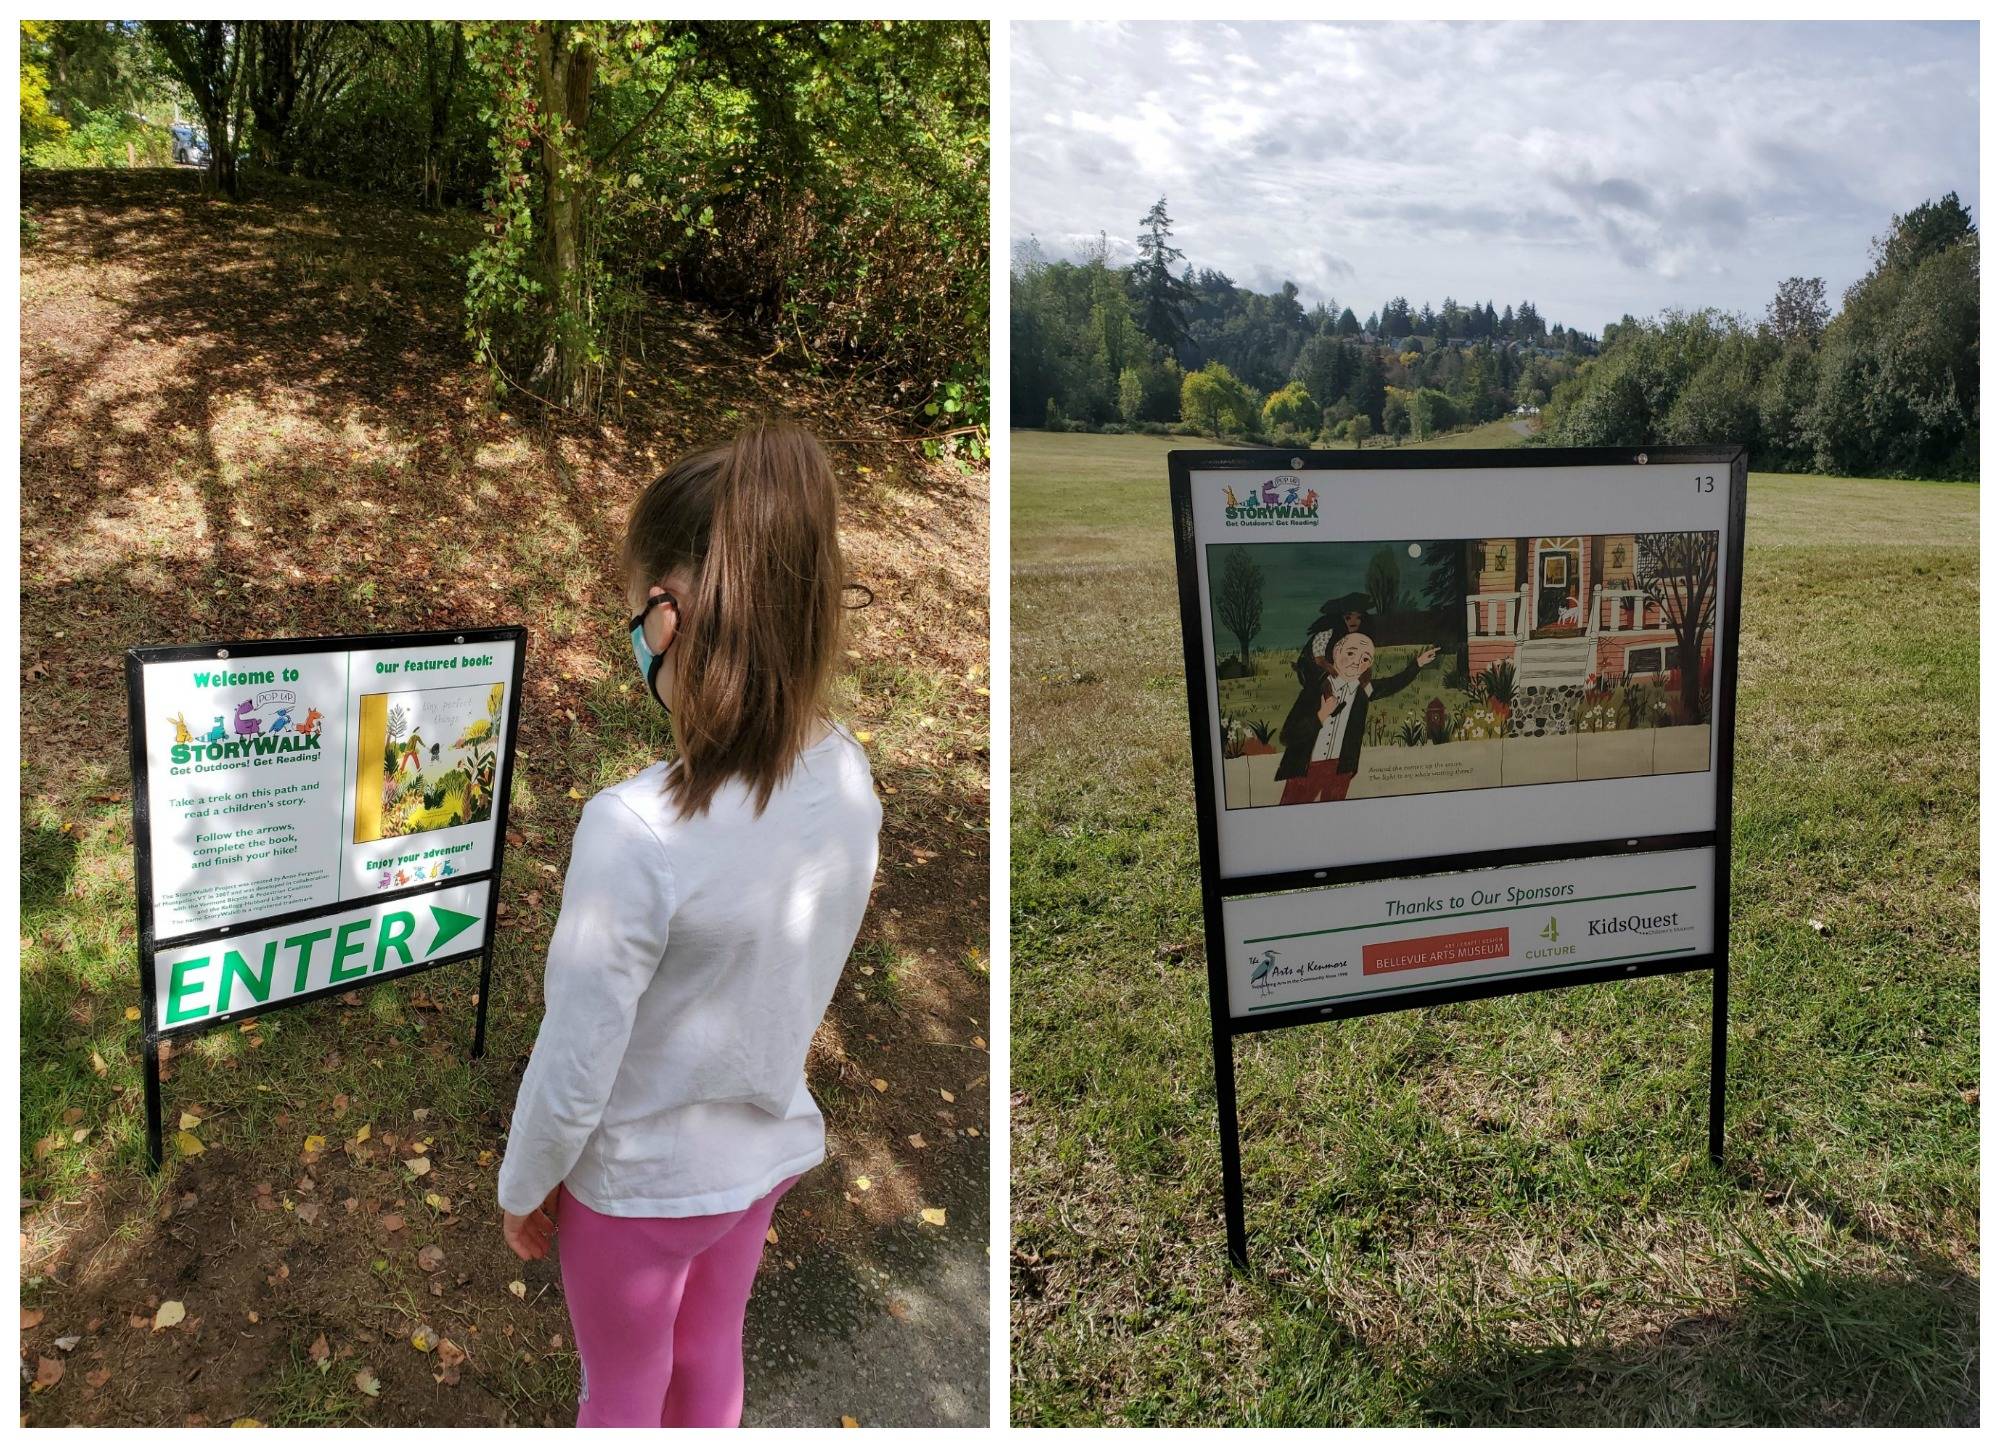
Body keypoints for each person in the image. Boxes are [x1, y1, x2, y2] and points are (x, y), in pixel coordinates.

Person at [495, 423, 882, 1428]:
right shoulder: (845, 775)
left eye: (634, 607)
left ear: (670, 615)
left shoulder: (634, 830)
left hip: (633, 1190)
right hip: (755, 1164)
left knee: (619, 1392)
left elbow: (576, 1057)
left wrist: (526, 1182)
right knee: (709, 1356)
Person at [1274, 630, 1438, 804]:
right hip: (1304, 767)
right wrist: (1321, 715)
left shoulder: (1364, 690)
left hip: (1341, 768)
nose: (1357, 662)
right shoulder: (1315, 690)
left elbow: (1394, 683)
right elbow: (1287, 736)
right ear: (1336, 652)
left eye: (1365, 658)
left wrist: (1418, 664)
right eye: (1351, 653)